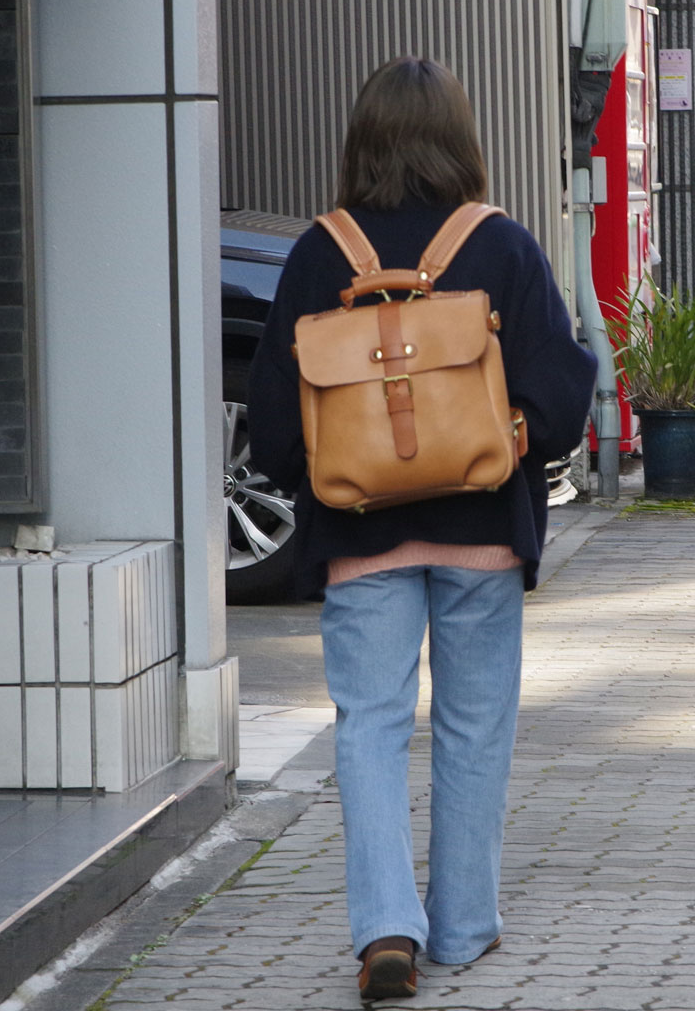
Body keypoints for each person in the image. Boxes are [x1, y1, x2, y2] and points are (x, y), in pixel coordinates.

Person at [249, 57, 596, 1001]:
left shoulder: (320, 254)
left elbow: (275, 423)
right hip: (481, 524)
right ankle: (464, 927)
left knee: (367, 727)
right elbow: (565, 390)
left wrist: (326, 484)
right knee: (474, 726)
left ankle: (384, 933)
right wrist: (511, 439)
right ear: (460, 137)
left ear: (361, 142)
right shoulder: (501, 245)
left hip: (361, 537)